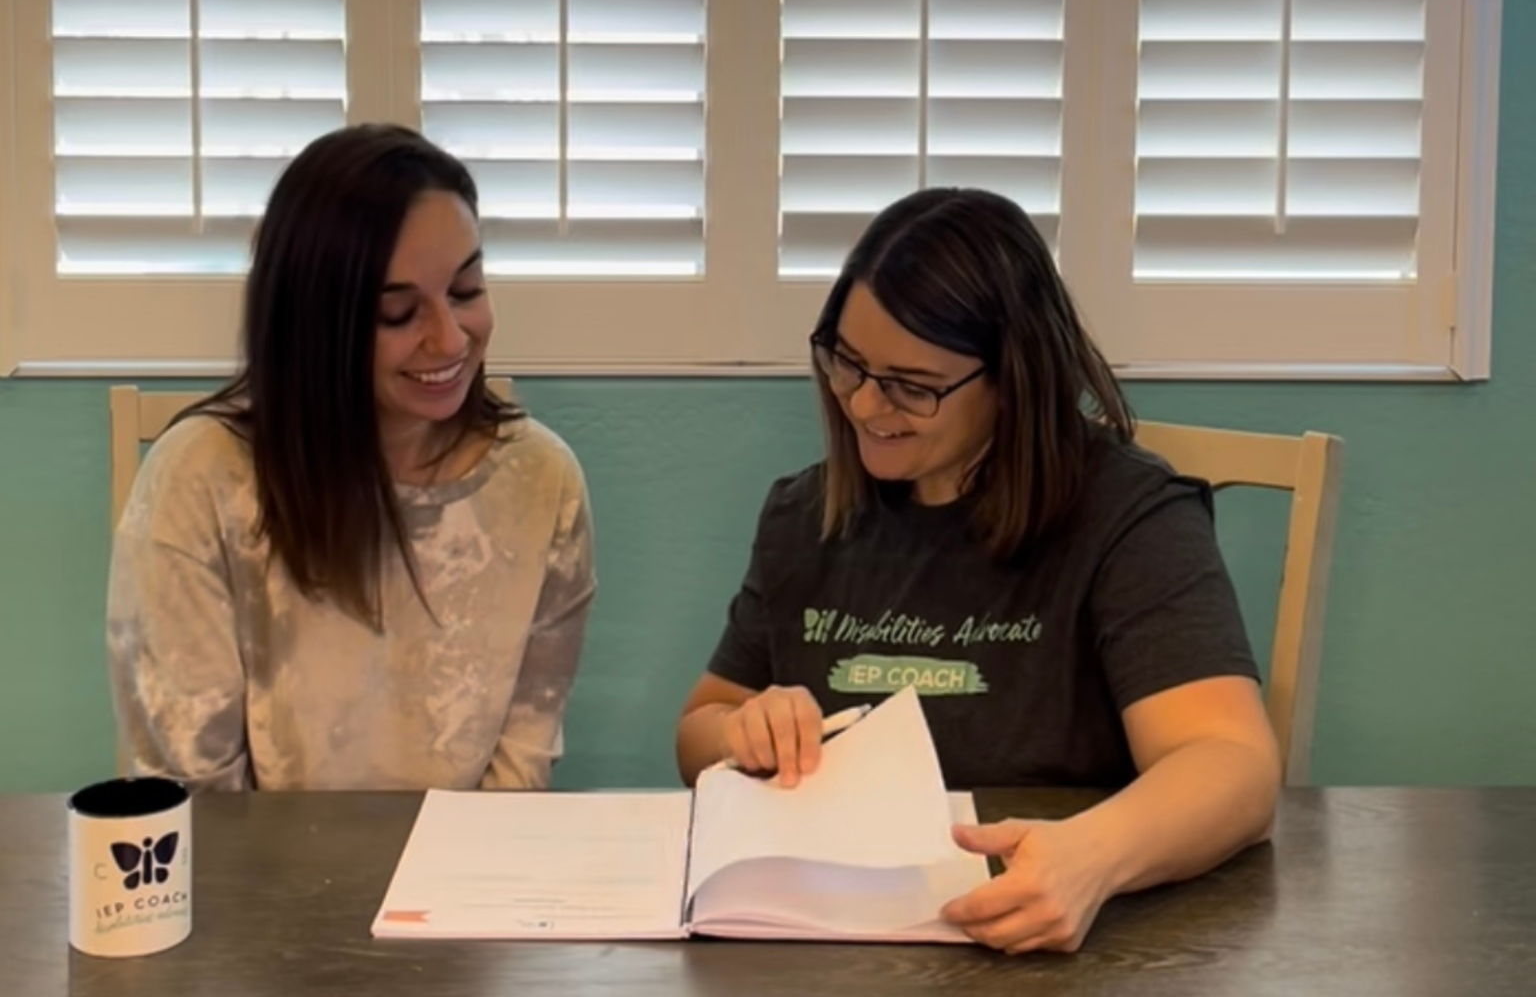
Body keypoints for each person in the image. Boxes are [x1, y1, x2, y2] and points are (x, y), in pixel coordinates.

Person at [675, 188, 1279, 955]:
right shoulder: (808, 514)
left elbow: (1233, 764)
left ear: (1014, 378)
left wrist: (1093, 856)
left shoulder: (1128, 516)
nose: (865, 406)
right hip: (832, 936)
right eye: (847, 363)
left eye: (912, 386)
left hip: (1055, 938)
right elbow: (700, 729)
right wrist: (744, 730)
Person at [108, 124, 595, 792]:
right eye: (399, 313)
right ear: (315, 323)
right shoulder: (199, 481)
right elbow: (198, 799)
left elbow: (518, 775)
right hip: (250, 859)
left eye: (465, 291)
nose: (450, 339)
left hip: (469, 857)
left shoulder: (543, 481)